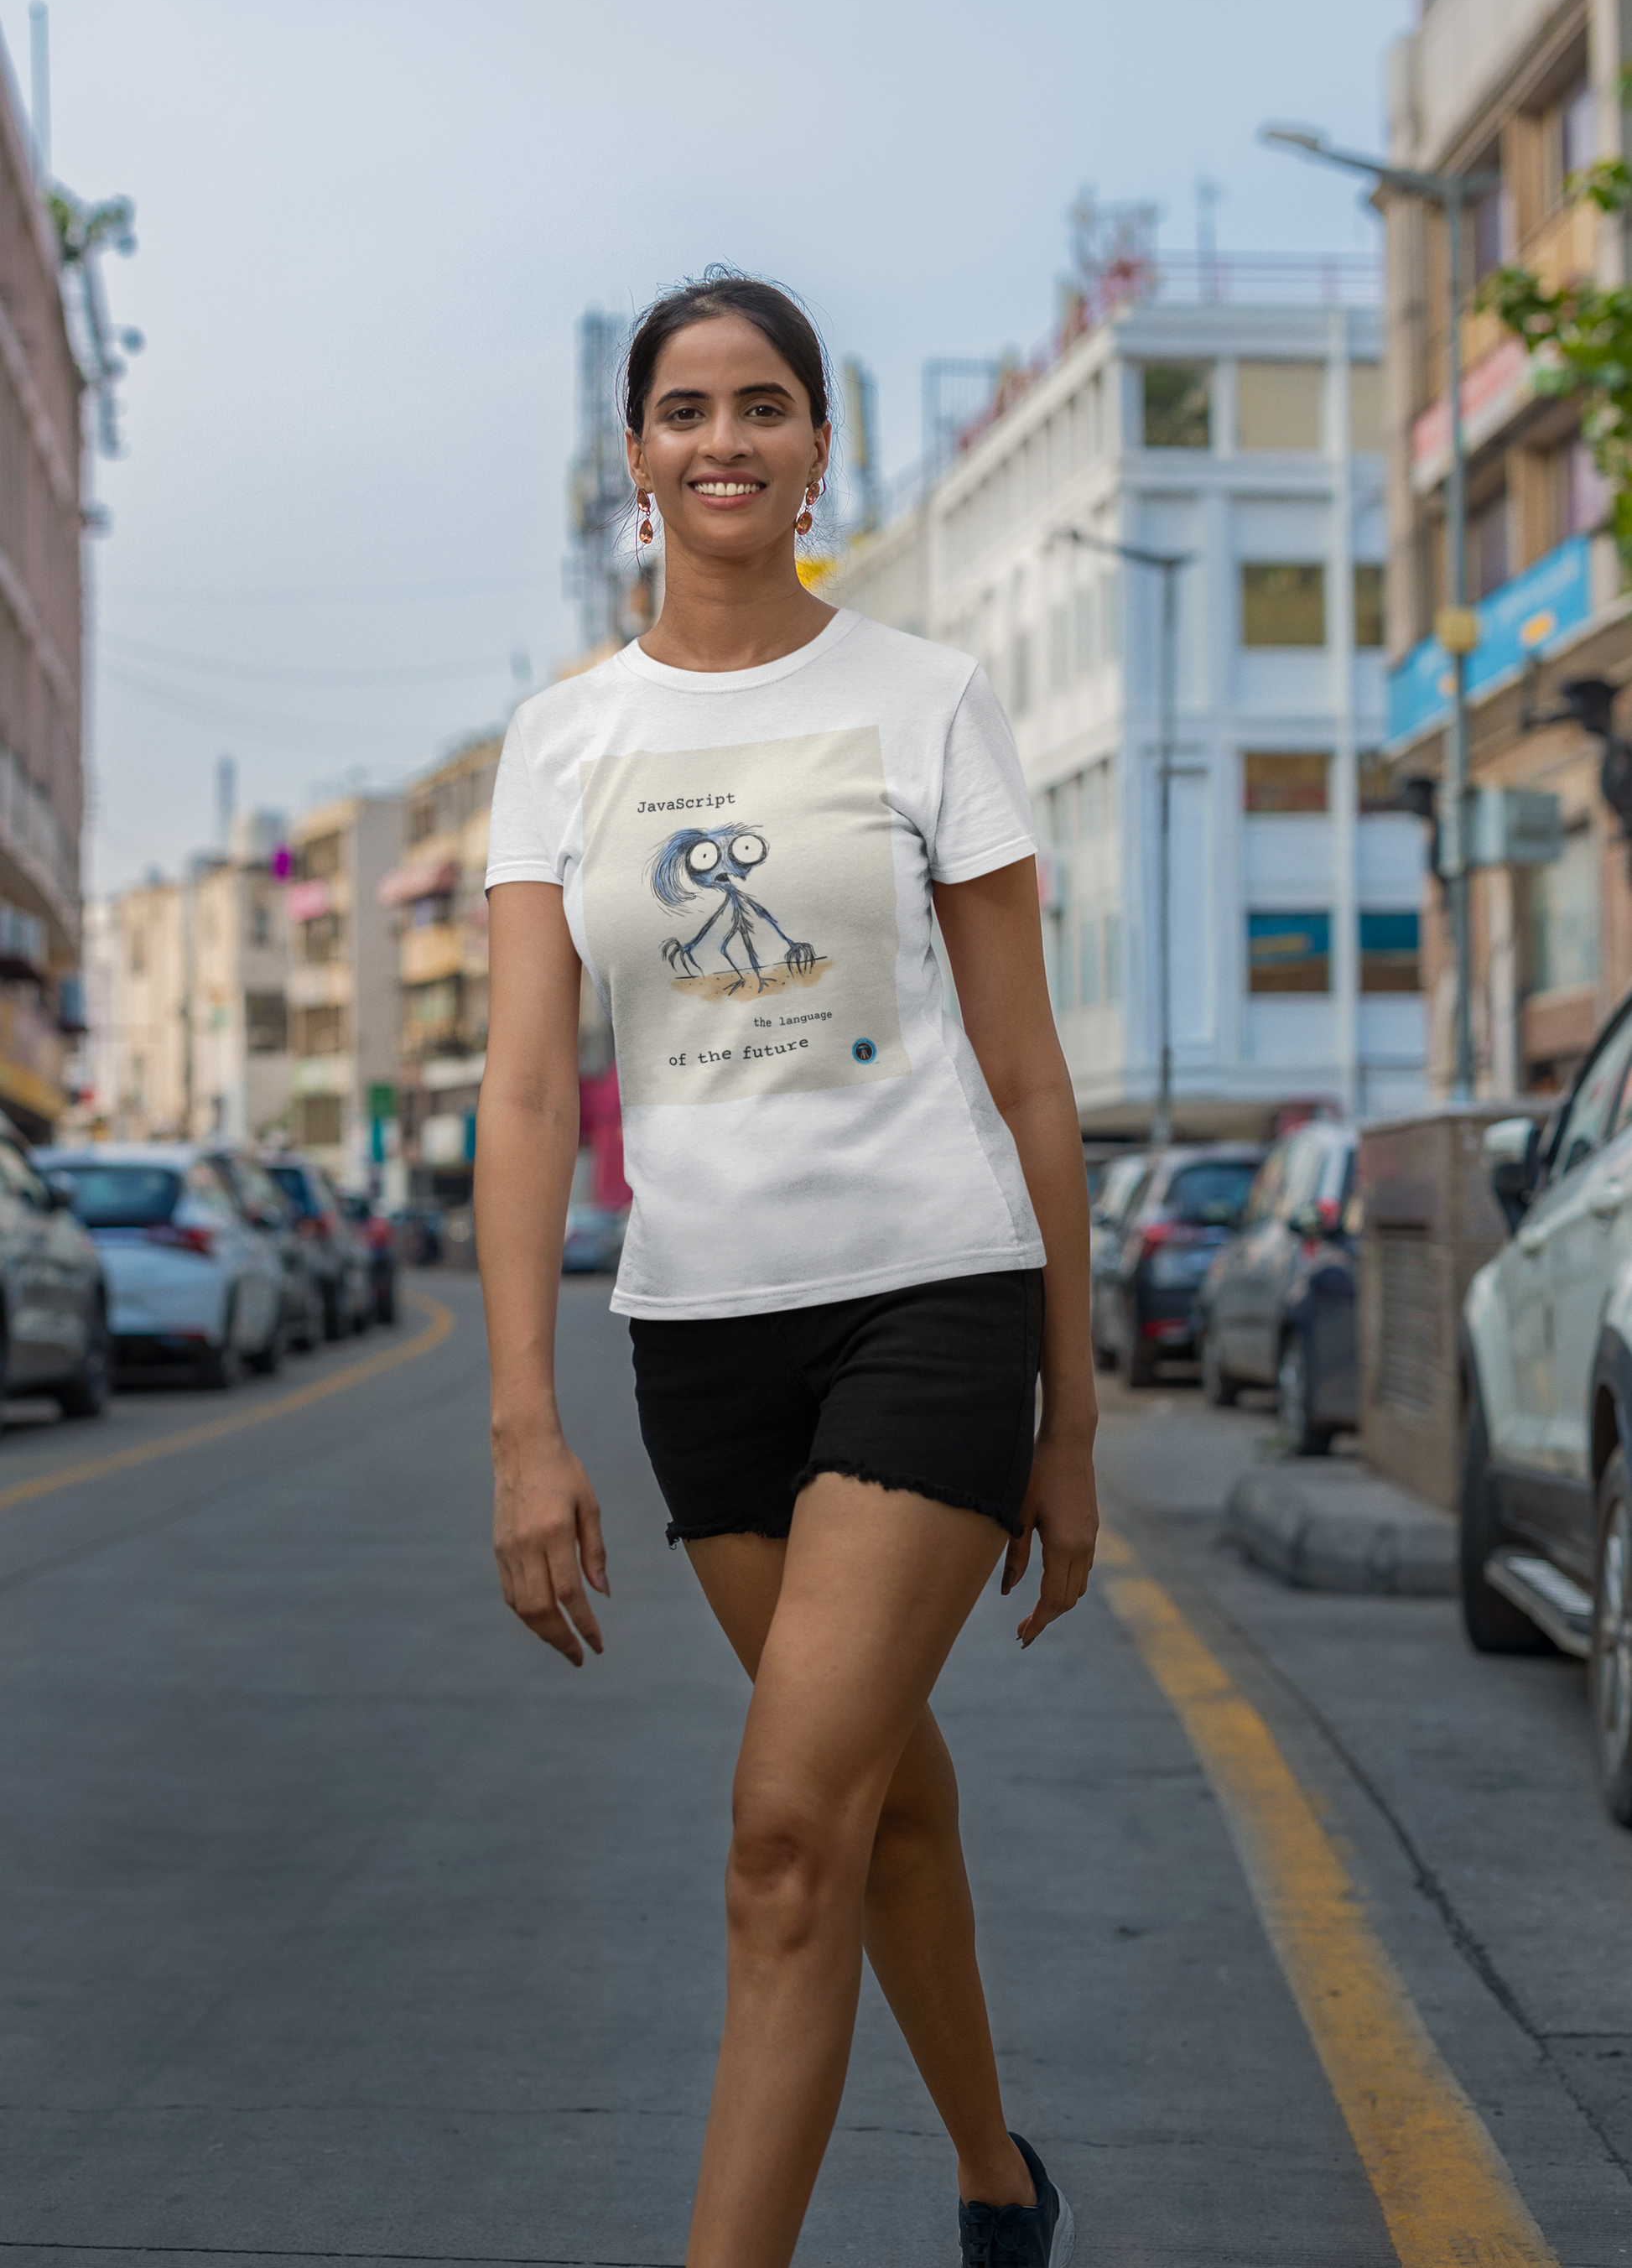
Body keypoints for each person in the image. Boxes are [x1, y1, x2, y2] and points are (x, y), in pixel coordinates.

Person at [476, 272, 1098, 2268]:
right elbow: (516, 1098)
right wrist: (523, 1430)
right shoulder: (564, 740)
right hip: (698, 1340)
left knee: (776, 1840)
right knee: (873, 1802)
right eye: (683, 409)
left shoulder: (924, 697)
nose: (723, 441)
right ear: (633, 457)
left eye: (764, 405)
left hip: (930, 1294)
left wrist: (1068, 1423)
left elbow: (1025, 1071)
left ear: (823, 444)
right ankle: (1000, 2185)